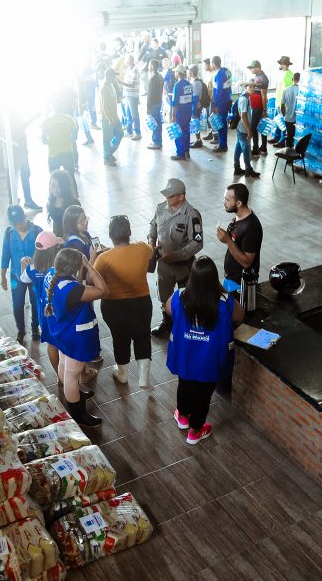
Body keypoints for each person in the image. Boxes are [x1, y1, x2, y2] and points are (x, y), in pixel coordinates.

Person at [165, 256, 244, 444]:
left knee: (184, 384)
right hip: (210, 360)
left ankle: (182, 416)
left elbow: (168, 309)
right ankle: (195, 431)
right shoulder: (224, 301)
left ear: (191, 277)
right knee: (203, 394)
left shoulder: (181, 296)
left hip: (185, 354)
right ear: (214, 279)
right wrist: (221, 289)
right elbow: (240, 315)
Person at [44, 248, 110, 427]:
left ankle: (73, 393)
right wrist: (88, 264)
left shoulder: (52, 275)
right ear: (74, 267)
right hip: (75, 336)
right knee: (72, 375)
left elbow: (77, 284)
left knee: (65, 365)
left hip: (61, 332)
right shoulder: (72, 290)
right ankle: (79, 415)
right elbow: (103, 290)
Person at [94, 215, 155, 387]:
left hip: (114, 306)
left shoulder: (104, 259)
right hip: (141, 302)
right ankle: (144, 377)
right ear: (129, 232)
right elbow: (151, 252)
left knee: (120, 339)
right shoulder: (142, 248)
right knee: (142, 336)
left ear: (111, 236)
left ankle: (122, 374)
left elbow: (94, 281)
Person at [149, 178, 204, 337]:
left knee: (187, 296)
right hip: (164, 264)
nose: (167, 198)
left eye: (171, 195)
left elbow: (197, 243)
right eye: (166, 195)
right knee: (164, 295)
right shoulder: (161, 208)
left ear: (181, 197)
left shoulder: (192, 215)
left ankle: (186, 325)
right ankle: (167, 322)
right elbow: (153, 225)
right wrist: (151, 239)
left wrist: (176, 256)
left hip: (184, 266)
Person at [20, 231, 63, 376]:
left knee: (52, 344)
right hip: (61, 310)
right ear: (53, 250)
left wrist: (23, 264)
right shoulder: (59, 267)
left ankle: (59, 376)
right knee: (64, 342)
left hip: (43, 313)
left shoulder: (31, 268)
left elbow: (23, 279)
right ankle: (69, 375)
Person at [0, 205, 43, 343]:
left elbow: (46, 253)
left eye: (19, 222)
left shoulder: (37, 231)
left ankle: (35, 327)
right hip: (16, 276)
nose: (18, 225)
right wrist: (3, 276)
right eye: (15, 223)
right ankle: (21, 329)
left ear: (25, 216)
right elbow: (5, 256)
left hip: (35, 275)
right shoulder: (9, 233)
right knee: (17, 304)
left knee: (36, 301)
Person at [217, 183, 263, 292]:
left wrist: (228, 241)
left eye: (227, 200)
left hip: (240, 284)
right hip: (230, 279)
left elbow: (247, 262)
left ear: (238, 203)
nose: (224, 202)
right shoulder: (239, 217)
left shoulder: (251, 227)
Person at [41, 94, 78, 173]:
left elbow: (43, 141)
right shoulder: (70, 119)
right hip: (67, 152)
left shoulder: (47, 122)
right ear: (63, 108)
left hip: (53, 155)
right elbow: (75, 137)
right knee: (71, 177)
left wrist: (51, 142)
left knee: (54, 178)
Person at [233, 83, 259, 178]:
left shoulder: (245, 97)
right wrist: (249, 130)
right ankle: (248, 170)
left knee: (238, 147)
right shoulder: (244, 99)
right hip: (243, 128)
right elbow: (243, 116)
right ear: (245, 87)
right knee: (246, 149)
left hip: (241, 127)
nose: (252, 88)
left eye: (253, 87)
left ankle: (237, 168)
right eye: (250, 87)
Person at [169, 65, 195, 161]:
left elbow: (175, 102)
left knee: (178, 132)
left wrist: (172, 116)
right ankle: (186, 150)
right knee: (186, 131)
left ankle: (180, 153)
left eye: (175, 72)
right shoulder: (189, 84)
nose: (174, 73)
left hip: (180, 112)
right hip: (188, 111)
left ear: (179, 73)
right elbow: (191, 99)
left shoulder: (177, 85)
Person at [98, 67, 122, 166]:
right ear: (108, 76)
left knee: (120, 134)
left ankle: (108, 153)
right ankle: (106, 158)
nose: (115, 78)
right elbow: (104, 106)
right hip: (107, 119)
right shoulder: (104, 88)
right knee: (106, 140)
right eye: (113, 76)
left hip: (114, 116)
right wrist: (109, 119)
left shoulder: (111, 85)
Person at [46, 169, 79, 237]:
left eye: (59, 186)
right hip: (57, 237)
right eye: (53, 185)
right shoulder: (51, 201)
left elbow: (78, 225)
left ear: (65, 186)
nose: (55, 189)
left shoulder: (73, 203)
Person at [247, 60, 270, 155]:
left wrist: (264, 110)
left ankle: (256, 149)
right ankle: (262, 147)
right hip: (254, 106)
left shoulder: (263, 78)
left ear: (257, 67)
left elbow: (264, 96)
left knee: (254, 127)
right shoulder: (256, 76)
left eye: (252, 68)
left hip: (259, 107)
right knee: (259, 126)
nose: (251, 70)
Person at [274, 71, 300, 149]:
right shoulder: (301, 90)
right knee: (296, 136)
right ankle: (295, 152)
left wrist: (284, 115)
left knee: (288, 135)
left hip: (288, 117)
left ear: (292, 79)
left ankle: (288, 152)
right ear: (299, 80)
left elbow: (282, 105)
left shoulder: (286, 90)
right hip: (298, 118)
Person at [210, 56, 231, 153]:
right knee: (223, 123)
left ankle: (222, 145)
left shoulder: (219, 74)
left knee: (221, 124)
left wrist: (215, 104)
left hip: (221, 102)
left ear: (213, 64)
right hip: (227, 100)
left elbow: (219, 90)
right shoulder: (226, 71)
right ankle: (222, 144)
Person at [121, 55, 142, 140]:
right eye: (126, 61)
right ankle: (129, 131)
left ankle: (138, 132)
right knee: (128, 114)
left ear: (132, 61)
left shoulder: (135, 70)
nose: (127, 62)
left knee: (134, 115)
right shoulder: (128, 69)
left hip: (132, 95)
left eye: (128, 61)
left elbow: (132, 84)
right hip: (127, 94)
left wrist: (120, 82)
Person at [146, 60, 165, 151]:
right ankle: (158, 141)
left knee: (154, 123)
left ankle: (156, 142)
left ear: (153, 66)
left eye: (149, 65)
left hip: (153, 104)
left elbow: (150, 94)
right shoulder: (160, 76)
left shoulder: (153, 78)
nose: (148, 66)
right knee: (158, 122)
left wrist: (148, 107)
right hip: (159, 102)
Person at [189, 65, 208, 150]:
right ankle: (198, 139)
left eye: (189, 71)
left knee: (196, 123)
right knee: (196, 123)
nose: (188, 73)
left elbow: (195, 97)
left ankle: (198, 140)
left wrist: (193, 111)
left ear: (192, 72)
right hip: (197, 105)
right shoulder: (196, 81)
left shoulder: (196, 83)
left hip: (196, 106)